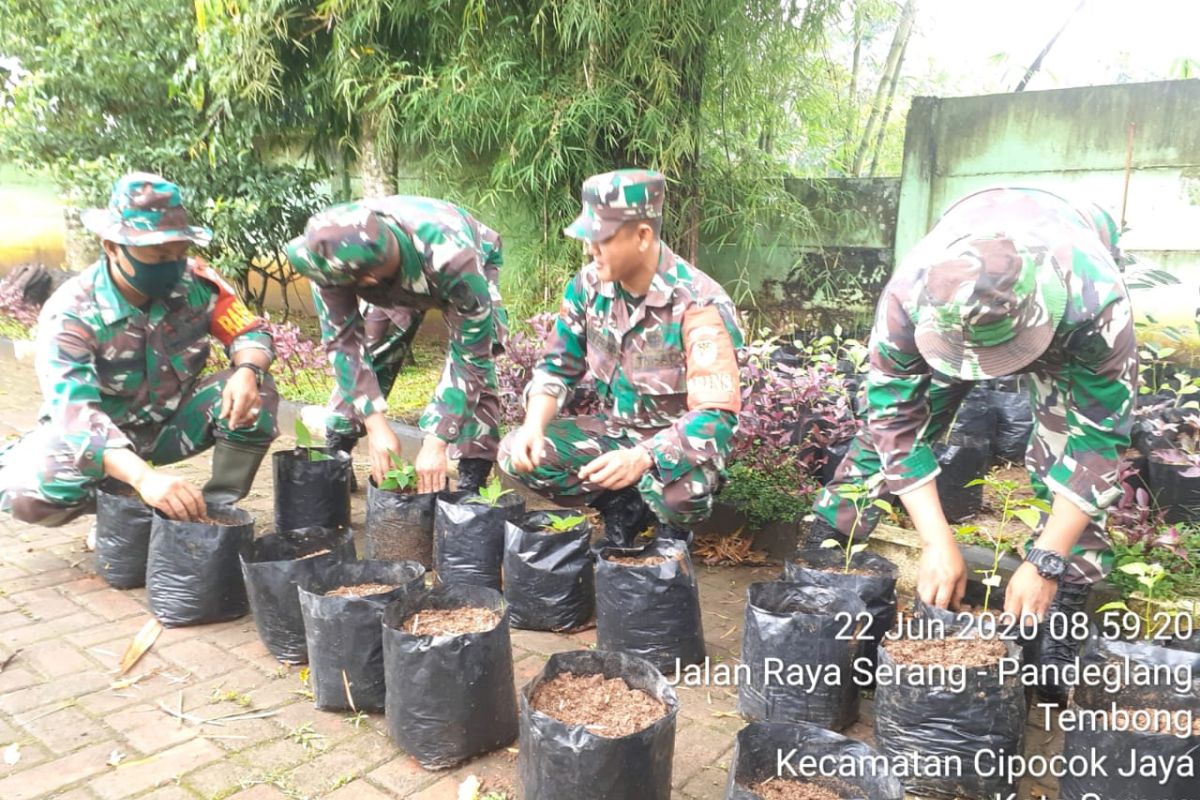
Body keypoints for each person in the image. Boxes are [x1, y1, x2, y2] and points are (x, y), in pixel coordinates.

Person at [809, 186, 1136, 703]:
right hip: (958, 274)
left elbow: (1099, 442)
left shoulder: (1094, 299)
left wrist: (1046, 560)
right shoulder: (908, 295)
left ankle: (1065, 596)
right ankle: (831, 542)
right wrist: (938, 542)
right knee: (879, 435)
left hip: (1063, 321)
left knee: (1063, 444)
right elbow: (895, 421)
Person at [0, 171, 278, 526]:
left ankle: (207, 513)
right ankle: (119, 517)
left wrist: (247, 371)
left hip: (171, 425)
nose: (173, 264)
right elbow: (77, 416)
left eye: (180, 252)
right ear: (112, 248)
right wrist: (144, 478)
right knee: (33, 489)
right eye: (158, 254)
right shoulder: (71, 313)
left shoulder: (198, 284)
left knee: (257, 393)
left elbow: (248, 331)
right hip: (103, 436)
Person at [501, 168, 744, 548]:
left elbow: (716, 417)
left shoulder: (698, 303)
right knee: (520, 451)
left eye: (601, 239)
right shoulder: (587, 287)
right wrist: (533, 425)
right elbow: (556, 368)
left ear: (643, 236)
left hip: (677, 446)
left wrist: (644, 457)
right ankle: (622, 506)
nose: (589, 250)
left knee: (680, 495)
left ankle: (671, 534)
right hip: (615, 429)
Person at [286, 197, 506, 494]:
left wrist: (435, 442)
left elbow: (471, 357)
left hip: (464, 259)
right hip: (387, 272)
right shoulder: (328, 256)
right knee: (376, 348)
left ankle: (472, 481)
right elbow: (344, 346)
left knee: (479, 369)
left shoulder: (455, 260)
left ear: (368, 279)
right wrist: (377, 428)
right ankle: (337, 450)